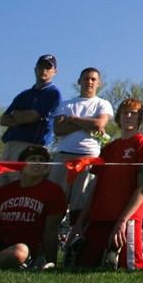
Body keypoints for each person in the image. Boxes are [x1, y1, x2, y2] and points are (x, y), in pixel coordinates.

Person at [67, 97, 143, 269]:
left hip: (127, 217)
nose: (128, 116)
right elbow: (95, 186)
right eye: (125, 112)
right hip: (101, 215)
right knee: (85, 263)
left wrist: (123, 221)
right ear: (118, 117)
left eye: (133, 113)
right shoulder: (109, 148)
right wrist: (81, 221)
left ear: (139, 118)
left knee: (131, 265)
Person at [52, 67, 113, 224]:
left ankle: (76, 242)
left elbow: (99, 123)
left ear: (99, 83)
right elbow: (58, 129)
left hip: (88, 158)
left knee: (81, 206)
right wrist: (87, 123)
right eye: (86, 78)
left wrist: (72, 119)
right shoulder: (66, 104)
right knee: (54, 205)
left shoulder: (102, 104)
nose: (89, 82)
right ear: (79, 81)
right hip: (63, 157)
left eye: (93, 79)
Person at [0, 54, 61, 185]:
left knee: (20, 185)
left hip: (31, 147)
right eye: (41, 67)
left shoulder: (53, 93)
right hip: (10, 143)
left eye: (48, 67)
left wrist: (17, 115)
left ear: (55, 71)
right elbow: (4, 120)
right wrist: (23, 117)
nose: (44, 70)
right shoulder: (24, 94)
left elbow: (33, 116)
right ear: (35, 69)